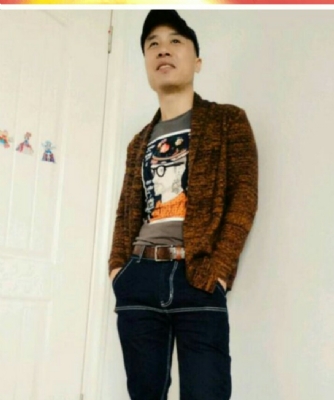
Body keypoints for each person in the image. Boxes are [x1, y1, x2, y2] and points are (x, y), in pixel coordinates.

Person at [108, 10, 258, 400]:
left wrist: (219, 271)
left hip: (199, 277)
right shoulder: (139, 141)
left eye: (175, 40)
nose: (163, 49)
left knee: (207, 392)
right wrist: (118, 270)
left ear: (197, 61)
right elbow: (126, 211)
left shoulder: (227, 122)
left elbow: (243, 198)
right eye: (152, 43)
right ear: (146, 63)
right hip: (139, 276)